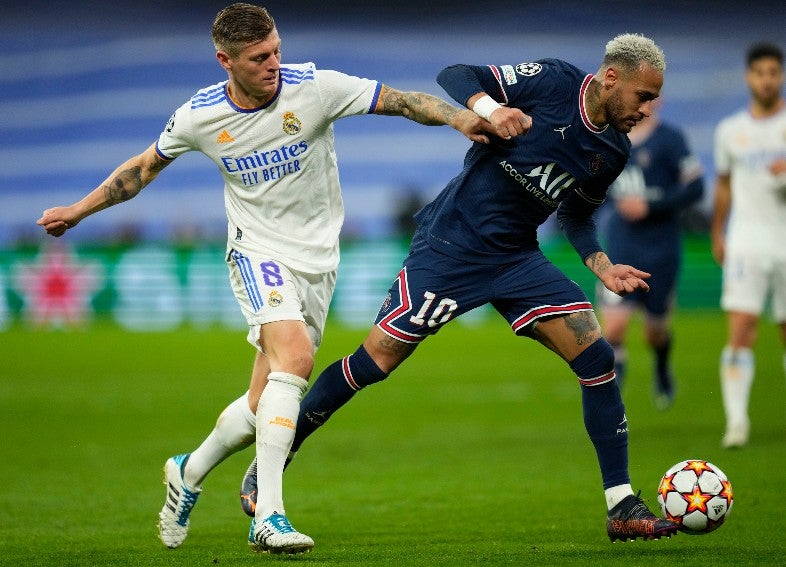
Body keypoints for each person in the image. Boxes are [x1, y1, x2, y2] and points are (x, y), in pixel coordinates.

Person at [36, 2, 488, 555]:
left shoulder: (315, 88)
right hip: (256, 252)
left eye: (276, 50)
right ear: (225, 61)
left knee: (262, 405)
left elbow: (401, 101)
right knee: (296, 361)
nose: (274, 64)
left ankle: (188, 470)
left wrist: (460, 118)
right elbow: (142, 169)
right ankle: (268, 515)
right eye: (258, 58)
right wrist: (78, 211)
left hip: (317, 260)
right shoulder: (200, 116)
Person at [239, 33, 680, 543]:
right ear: (611, 78)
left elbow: (577, 213)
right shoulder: (554, 81)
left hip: (516, 256)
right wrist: (491, 110)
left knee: (597, 358)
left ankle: (621, 505)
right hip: (451, 246)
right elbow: (456, 74)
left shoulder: (613, 149)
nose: (646, 109)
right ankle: (278, 452)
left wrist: (600, 266)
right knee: (374, 362)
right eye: (642, 96)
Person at [596, 104, 704, 409]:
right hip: (621, 248)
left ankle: (661, 367)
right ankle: (613, 401)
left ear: (657, 100)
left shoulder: (670, 139)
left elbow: (695, 188)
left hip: (661, 250)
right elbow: (598, 188)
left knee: (654, 332)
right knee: (613, 327)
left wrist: (649, 207)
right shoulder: (611, 139)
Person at [711, 41, 786, 449]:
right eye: (760, 72)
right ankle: (736, 423)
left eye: (774, 72)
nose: (767, 79)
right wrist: (718, 231)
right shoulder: (730, 131)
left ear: (781, 76)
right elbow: (722, 186)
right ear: (749, 77)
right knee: (741, 330)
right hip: (747, 241)